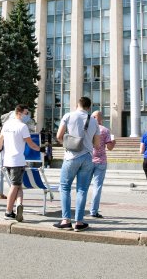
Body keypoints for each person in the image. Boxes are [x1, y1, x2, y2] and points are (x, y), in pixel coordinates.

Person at [53, 97, 100, 231]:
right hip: (88, 157)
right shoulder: (94, 121)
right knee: (82, 190)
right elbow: (96, 144)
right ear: (89, 107)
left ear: (77, 105)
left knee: (65, 187)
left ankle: (66, 220)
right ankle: (79, 222)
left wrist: (68, 145)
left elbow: (59, 136)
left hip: (71, 156)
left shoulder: (68, 115)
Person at [0, 104, 40, 222]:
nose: (28, 116)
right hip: (18, 160)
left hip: (7, 160)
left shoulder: (6, 124)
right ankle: (8, 211)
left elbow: (0, 139)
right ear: (19, 113)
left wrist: (1, 148)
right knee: (14, 186)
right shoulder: (22, 126)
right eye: (26, 113)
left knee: (18, 185)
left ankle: (19, 205)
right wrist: (41, 149)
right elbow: (30, 143)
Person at [89, 110, 115, 218]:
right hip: (101, 161)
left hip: (88, 160)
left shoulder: (87, 129)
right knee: (97, 187)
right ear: (101, 119)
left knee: (83, 187)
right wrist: (114, 141)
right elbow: (110, 147)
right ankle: (93, 211)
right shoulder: (105, 130)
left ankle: (80, 210)